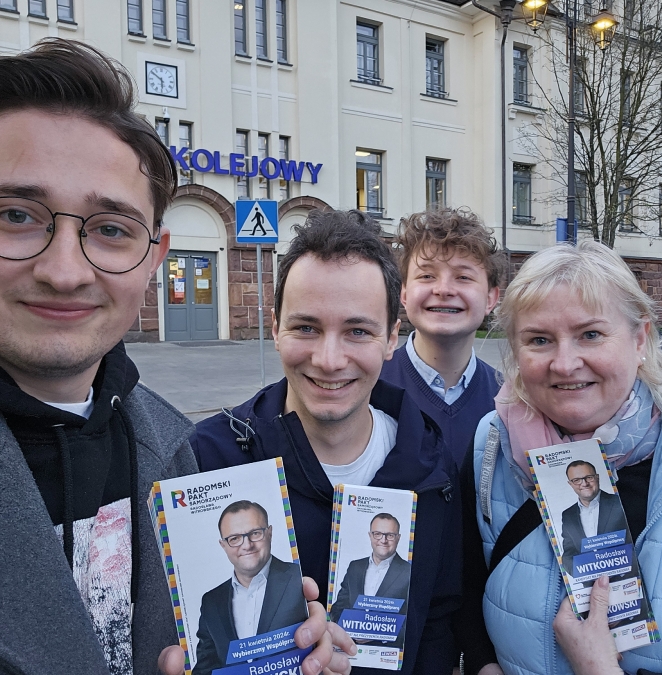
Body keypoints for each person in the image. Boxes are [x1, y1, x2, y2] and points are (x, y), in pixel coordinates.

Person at [0, 39, 352, 675]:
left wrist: (280, 657)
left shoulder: (173, 449)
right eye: (16, 215)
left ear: (154, 257)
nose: (64, 271)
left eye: (110, 229)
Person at [459, 240, 662, 675]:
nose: (564, 363)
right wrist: (483, 664)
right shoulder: (492, 447)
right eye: (539, 339)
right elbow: (466, 589)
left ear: (639, 339)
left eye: (590, 335)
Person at [191, 210, 462, 675]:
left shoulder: (432, 465)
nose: (330, 359)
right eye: (306, 328)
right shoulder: (209, 460)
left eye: (357, 331)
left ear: (392, 338)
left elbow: (438, 620)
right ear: (275, 328)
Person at [380, 208, 503, 468]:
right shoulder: (369, 387)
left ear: (490, 298)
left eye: (463, 277)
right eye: (426, 275)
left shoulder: (509, 402)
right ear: (404, 293)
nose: (444, 290)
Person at [193, 501, 307, 675]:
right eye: (234, 539)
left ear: (269, 533)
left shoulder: (299, 577)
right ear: (223, 545)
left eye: (255, 533)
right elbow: (205, 667)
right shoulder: (211, 602)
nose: (247, 545)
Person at [329, 513, 412, 637]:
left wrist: (377, 633)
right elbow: (338, 607)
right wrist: (348, 630)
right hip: (349, 643)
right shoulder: (355, 567)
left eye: (390, 535)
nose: (383, 540)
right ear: (370, 535)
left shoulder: (409, 571)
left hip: (388, 646)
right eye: (377, 534)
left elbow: (413, 617)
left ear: (398, 538)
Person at [559, 461, 628, 575]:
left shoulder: (618, 502)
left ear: (597, 477)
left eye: (589, 477)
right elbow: (568, 554)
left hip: (626, 577)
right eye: (576, 480)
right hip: (589, 582)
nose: (584, 483)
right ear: (570, 483)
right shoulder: (567, 515)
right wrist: (586, 577)